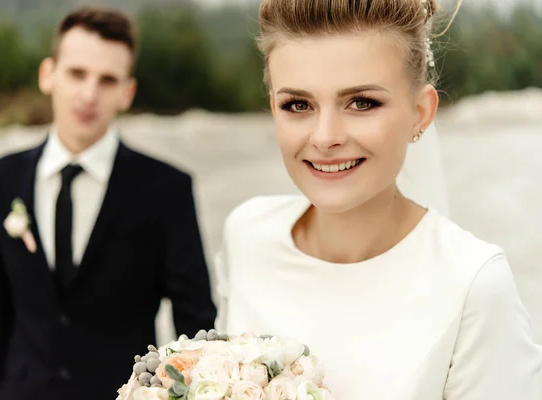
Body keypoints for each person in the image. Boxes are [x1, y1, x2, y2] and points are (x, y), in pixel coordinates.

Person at [215, 0, 542, 398]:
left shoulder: (473, 283)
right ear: (274, 109)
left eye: (361, 103)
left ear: (420, 112)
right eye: (298, 105)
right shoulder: (246, 235)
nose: (324, 137)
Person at [0, 6, 216, 400]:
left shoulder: (167, 190)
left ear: (126, 93)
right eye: (77, 74)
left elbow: (196, 321)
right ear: (47, 74)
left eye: (107, 80)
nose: (89, 94)